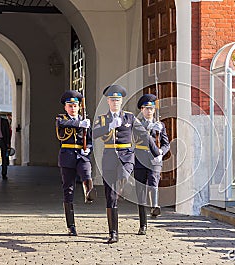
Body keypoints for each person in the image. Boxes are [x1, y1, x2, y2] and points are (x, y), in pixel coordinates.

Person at [93, 85, 160, 244]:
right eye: (112, 100)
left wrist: (157, 153)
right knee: (110, 198)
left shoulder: (129, 118)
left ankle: (122, 187)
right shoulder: (102, 119)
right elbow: (93, 134)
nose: (115, 102)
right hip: (109, 157)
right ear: (108, 101)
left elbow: (144, 135)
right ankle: (113, 233)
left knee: (124, 174)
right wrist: (109, 126)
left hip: (127, 156)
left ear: (121, 101)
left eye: (118, 100)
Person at [56, 90, 93, 236]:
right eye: (70, 106)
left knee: (86, 172)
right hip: (67, 155)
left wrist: (88, 149)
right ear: (65, 107)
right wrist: (79, 123)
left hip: (81, 155)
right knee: (69, 189)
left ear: (79, 107)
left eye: (75, 106)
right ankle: (71, 225)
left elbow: (89, 140)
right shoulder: (61, 118)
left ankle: (89, 190)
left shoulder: (85, 120)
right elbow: (63, 125)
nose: (73, 108)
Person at [134, 94, 170, 235]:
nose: (149, 111)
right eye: (146, 108)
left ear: (154, 110)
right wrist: (147, 127)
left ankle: (155, 206)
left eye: (151, 108)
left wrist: (161, 152)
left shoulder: (160, 125)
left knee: (154, 181)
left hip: (155, 160)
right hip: (141, 159)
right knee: (141, 191)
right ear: (142, 110)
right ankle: (143, 224)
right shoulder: (136, 124)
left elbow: (166, 143)